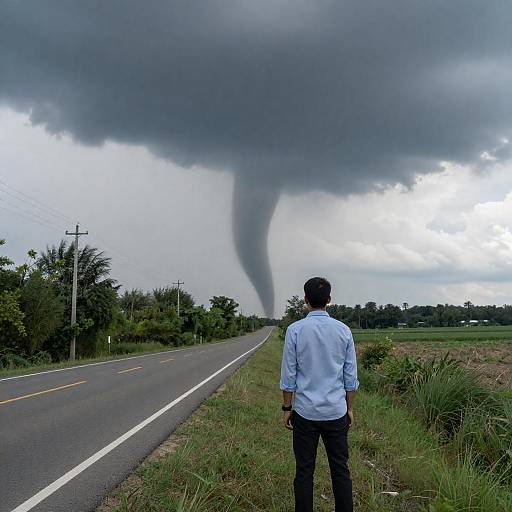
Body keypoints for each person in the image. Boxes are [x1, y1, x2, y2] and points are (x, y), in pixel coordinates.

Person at [280, 277, 359, 512]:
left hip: (305, 413)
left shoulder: (295, 330)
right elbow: (350, 377)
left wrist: (287, 408)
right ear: (329, 300)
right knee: (340, 471)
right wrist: (350, 408)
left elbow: (289, 375)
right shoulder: (343, 331)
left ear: (305, 300)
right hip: (336, 412)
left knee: (304, 472)